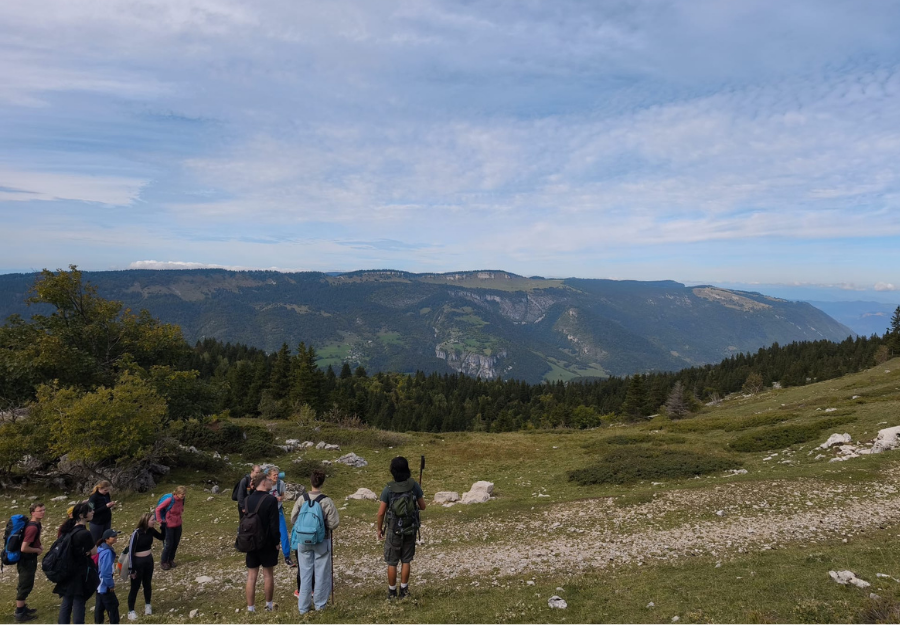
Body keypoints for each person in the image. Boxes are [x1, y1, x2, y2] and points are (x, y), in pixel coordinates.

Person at [376, 457, 426, 600]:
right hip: (410, 528)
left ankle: (392, 592)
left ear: (393, 471)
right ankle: (404, 590)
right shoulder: (414, 486)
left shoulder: (388, 489)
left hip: (393, 530)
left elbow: (381, 512)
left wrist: (379, 530)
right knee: (406, 560)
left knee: (392, 562)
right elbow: (423, 506)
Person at [295, 469, 340, 614]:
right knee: (321, 573)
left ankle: (303, 607)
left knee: (305, 573)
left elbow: (293, 518)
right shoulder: (326, 501)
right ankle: (320, 605)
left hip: (303, 541)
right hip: (322, 540)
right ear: (322, 482)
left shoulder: (301, 499)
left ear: (311, 481)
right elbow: (334, 524)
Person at [55, 502, 99, 624]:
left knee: (67, 599)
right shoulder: (84, 533)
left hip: (67, 569)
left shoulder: (69, 529)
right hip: (79, 571)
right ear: (81, 515)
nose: (92, 512)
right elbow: (94, 551)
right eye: (89, 511)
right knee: (79, 600)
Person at [243, 473, 280, 613]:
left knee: (251, 576)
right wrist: (276, 542)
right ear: (263, 483)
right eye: (269, 480)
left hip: (250, 542)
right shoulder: (271, 500)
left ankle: (250, 608)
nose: (271, 482)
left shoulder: (247, 500)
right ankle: (268, 606)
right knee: (268, 575)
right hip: (267, 543)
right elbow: (274, 525)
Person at [124, 513, 164, 621]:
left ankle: (148, 605)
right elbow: (131, 551)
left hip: (148, 561)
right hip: (138, 563)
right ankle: (131, 611)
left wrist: (163, 527)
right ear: (146, 521)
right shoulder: (136, 533)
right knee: (135, 587)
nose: (154, 521)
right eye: (152, 520)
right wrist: (131, 569)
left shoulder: (150, 530)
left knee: (147, 584)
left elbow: (161, 537)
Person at [13, 502, 44, 623]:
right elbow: (24, 547)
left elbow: (35, 539)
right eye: (39, 510)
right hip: (26, 560)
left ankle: (23, 608)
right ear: (33, 513)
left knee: (26, 583)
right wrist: (37, 550)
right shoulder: (32, 527)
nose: (43, 512)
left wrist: (39, 545)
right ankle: (20, 613)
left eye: (43, 510)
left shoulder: (37, 524)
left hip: (29, 559)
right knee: (25, 585)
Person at [265, 465, 294, 567]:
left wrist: (280, 498)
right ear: (269, 476)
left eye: (277, 475)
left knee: (284, 534)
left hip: (278, 511)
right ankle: (268, 555)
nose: (276, 477)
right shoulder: (265, 484)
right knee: (267, 534)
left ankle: (287, 556)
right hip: (267, 512)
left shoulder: (280, 483)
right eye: (274, 475)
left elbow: (282, 494)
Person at [156, 486, 186, 570]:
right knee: (169, 544)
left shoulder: (182, 500)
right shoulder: (170, 500)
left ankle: (171, 559)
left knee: (175, 543)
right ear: (177, 493)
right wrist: (160, 521)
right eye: (182, 494)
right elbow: (158, 509)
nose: (183, 496)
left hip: (178, 524)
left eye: (184, 494)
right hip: (169, 525)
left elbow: (181, 509)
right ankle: (164, 561)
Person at [95, 529, 120, 624]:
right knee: (113, 606)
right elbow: (105, 571)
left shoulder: (100, 548)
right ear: (106, 539)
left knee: (100, 607)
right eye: (113, 536)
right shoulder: (107, 552)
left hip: (98, 584)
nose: (115, 538)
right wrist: (110, 584)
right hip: (104, 584)